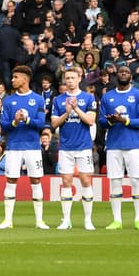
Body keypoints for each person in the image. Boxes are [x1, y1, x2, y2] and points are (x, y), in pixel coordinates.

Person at [0, 65, 48, 230]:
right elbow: (3, 125)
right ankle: (7, 220)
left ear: (25, 79)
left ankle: (39, 221)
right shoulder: (9, 100)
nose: (12, 80)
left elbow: (41, 123)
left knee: (36, 179)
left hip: (32, 146)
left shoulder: (38, 99)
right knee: (11, 180)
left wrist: (26, 120)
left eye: (15, 77)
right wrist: (15, 121)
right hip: (13, 146)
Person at [100, 64, 139, 230]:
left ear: (131, 76)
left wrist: (125, 121)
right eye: (121, 72)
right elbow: (101, 122)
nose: (123, 74)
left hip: (134, 144)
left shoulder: (138, 95)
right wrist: (111, 120)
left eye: (126, 72)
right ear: (117, 75)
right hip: (113, 145)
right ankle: (117, 220)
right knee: (115, 181)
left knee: (136, 180)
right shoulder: (108, 97)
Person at [49, 66, 96, 230]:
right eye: (67, 78)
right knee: (66, 181)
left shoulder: (88, 98)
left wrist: (76, 109)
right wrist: (67, 113)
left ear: (79, 79)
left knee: (85, 180)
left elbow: (91, 121)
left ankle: (88, 220)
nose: (69, 81)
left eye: (72, 78)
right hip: (65, 146)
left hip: (83, 146)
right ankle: (66, 220)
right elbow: (54, 124)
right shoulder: (58, 100)